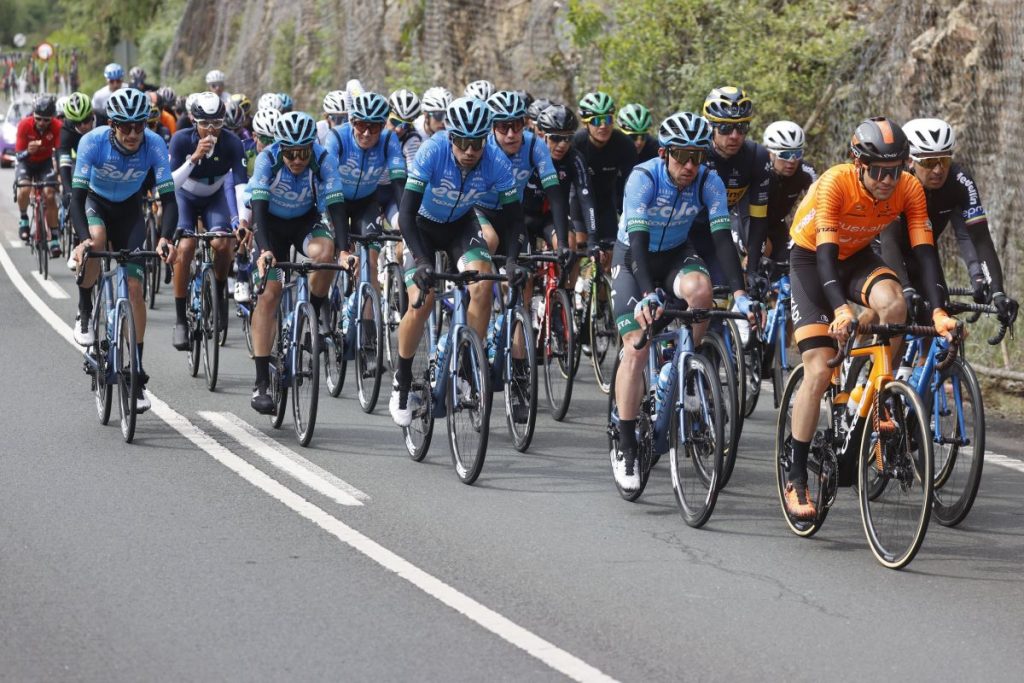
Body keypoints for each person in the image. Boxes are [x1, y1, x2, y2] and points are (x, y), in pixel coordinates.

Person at [782, 117, 958, 519]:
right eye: (877, 171)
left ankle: (880, 396)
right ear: (858, 164)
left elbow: (926, 255)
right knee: (817, 368)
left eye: (894, 171)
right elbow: (824, 258)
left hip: (858, 254)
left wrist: (938, 312)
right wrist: (841, 309)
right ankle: (796, 475)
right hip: (812, 260)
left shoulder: (909, 189)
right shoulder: (834, 183)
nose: (886, 180)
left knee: (894, 305)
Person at [610, 112, 754, 491]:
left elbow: (723, 239)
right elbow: (637, 244)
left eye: (697, 156)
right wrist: (646, 295)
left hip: (675, 252)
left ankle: (686, 369)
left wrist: (741, 294)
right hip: (633, 258)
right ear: (665, 154)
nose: (690, 165)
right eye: (682, 156)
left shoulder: (709, 180)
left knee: (701, 291)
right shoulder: (643, 178)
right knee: (637, 346)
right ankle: (626, 446)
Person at [388, 96, 522, 427]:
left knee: (483, 286)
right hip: (421, 226)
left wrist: (514, 261)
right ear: (451, 138)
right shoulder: (432, 151)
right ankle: (402, 381)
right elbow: (405, 214)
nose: (470, 151)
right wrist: (420, 260)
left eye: (476, 143)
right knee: (423, 299)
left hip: (461, 225)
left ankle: (463, 368)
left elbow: (514, 219)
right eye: (462, 143)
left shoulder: (496, 162)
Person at [69, 88, 178, 411]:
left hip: (130, 209)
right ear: (113, 125)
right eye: (125, 127)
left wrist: (165, 238)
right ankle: (86, 309)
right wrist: (81, 240)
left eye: (139, 126)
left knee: (134, 287)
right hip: (96, 204)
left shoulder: (154, 144)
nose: (133, 134)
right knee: (96, 242)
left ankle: (136, 371)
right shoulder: (93, 141)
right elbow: (76, 198)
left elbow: (169, 200)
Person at [248, 111, 351, 413]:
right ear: (281, 148)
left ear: (311, 147)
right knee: (269, 294)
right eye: (290, 153)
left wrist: (344, 251)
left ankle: (312, 316)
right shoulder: (268, 159)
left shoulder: (323, 158)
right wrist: (265, 249)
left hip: (305, 221)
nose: (296, 160)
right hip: (271, 227)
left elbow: (336, 204)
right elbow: (258, 207)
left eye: (302, 153)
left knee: (325, 252)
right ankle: (260, 384)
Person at [879, 118, 1018, 327]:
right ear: (910, 161)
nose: (937, 170)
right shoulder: (896, 182)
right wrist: (905, 288)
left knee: (938, 319)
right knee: (894, 306)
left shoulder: (960, 181)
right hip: (883, 247)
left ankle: (925, 360)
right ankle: (860, 350)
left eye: (944, 161)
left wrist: (997, 290)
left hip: (923, 250)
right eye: (928, 162)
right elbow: (889, 240)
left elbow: (979, 238)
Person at [168, 91, 248, 348]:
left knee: (223, 245)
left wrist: (243, 222)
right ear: (194, 121)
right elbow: (170, 185)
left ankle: (220, 293)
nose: (211, 130)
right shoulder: (181, 140)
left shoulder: (232, 142)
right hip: (185, 197)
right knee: (186, 247)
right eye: (205, 124)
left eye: (217, 123)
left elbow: (240, 187)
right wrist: (194, 158)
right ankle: (181, 320)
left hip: (215, 197)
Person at [323, 91, 407, 293]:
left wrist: (407, 224)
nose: (367, 133)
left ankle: (365, 319)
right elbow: (330, 187)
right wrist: (342, 246)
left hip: (366, 202)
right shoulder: (337, 137)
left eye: (375, 126)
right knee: (336, 252)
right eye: (361, 125)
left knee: (370, 260)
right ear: (352, 122)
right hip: (336, 201)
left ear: (383, 125)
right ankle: (328, 300)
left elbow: (399, 183)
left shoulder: (389, 140)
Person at [573, 91, 638, 259]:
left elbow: (629, 186)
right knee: (577, 249)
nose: (603, 126)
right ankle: (577, 285)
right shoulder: (577, 143)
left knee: (609, 256)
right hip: (578, 203)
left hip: (605, 204)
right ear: (585, 123)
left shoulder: (624, 144)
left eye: (608, 119)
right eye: (596, 121)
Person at [758, 120, 816, 279]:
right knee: (762, 250)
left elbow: (820, 206)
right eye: (784, 154)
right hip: (749, 221)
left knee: (792, 264)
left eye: (797, 154)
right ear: (770, 153)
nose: (791, 161)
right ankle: (742, 292)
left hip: (777, 225)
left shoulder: (806, 172)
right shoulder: (757, 168)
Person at [14, 95, 62, 254]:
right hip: (26, 163)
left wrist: (60, 170)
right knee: (25, 189)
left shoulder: (57, 126)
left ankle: (54, 237)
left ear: (52, 118)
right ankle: (23, 219)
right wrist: (28, 151)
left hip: (45, 163)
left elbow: (60, 152)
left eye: (46, 120)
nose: (42, 123)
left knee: (49, 195)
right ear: (33, 115)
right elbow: (18, 155)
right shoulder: (24, 125)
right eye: (39, 119)